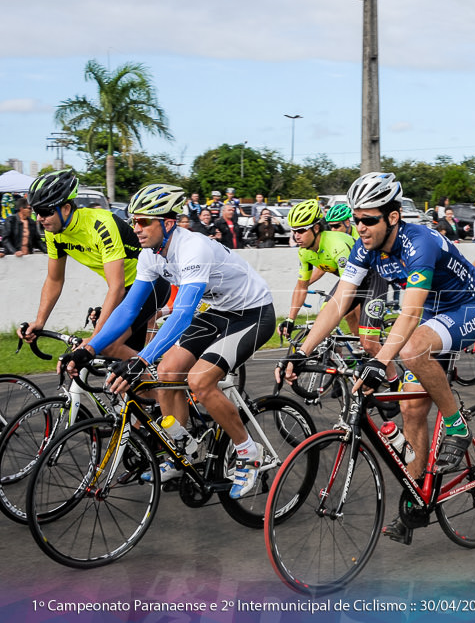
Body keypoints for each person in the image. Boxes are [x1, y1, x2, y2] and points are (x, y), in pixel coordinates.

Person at [280, 172, 475, 544]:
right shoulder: (365, 247)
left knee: (410, 349)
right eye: (355, 219)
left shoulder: (419, 242)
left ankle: (457, 425)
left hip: (469, 305)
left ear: (393, 216)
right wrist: (301, 350)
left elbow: (409, 316)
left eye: (368, 220)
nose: (359, 227)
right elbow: (339, 302)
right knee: (411, 410)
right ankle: (416, 500)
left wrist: (381, 361)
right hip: (433, 313)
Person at [61, 183, 276, 497]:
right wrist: (89, 348)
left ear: (169, 222)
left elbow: (184, 313)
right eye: (134, 221)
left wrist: (141, 358)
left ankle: (248, 452)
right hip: (219, 311)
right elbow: (129, 308)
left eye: (144, 221)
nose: (137, 228)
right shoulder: (150, 255)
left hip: (253, 313)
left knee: (200, 381)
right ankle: (182, 448)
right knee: (167, 372)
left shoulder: (193, 247)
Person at [18, 170, 171, 359]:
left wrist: (94, 338)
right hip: (126, 290)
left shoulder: (101, 224)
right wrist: (40, 321)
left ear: (66, 209)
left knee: (106, 346)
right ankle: (151, 379)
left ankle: (162, 380)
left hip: (150, 286)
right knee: (119, 366)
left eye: (45, 212)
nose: (39, 218)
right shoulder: (53, 232)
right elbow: (54, 280)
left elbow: (116, 287)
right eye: (36, 212)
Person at [278, 199, 394, 375]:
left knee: (368, 341)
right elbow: (301, 286)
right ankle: (342, 367)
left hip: (372, 279)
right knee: (323, 324)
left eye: (301, 230)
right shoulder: (305, 252)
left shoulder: (337, 246)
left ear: (316, 228)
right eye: (294, 231)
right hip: (350, 280)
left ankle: (393, 381)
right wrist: (290, 319)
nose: (296, 236)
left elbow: (349, 289)